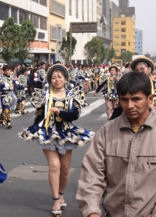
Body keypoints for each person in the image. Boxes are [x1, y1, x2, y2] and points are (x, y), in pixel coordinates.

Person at [76, 72, 156, 217]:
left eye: (136, 99)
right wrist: (92, 211)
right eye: (124, 100)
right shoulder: (107, 132)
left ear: (150, 99)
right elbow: (92, 176)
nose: (130, 105)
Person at [19, 64, 94, 217]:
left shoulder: (72, 96)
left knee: (65, 169)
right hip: (48, 133)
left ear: (65, 79)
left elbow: (74, 115)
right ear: (49, 80)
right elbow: (38, 116)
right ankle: (55, 199)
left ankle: (61, 194)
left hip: (66, 133)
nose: (57, 79)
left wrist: (60, 112)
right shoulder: (45, 96)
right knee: (54, 165)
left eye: (60, 77)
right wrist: (34, 129)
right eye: (53, 77)